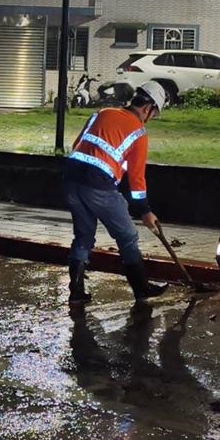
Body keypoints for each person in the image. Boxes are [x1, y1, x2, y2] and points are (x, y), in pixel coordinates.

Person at [63, 81, 168, 307]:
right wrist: (146, 212)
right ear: (147, 108)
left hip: (71, 177)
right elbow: (137, 181)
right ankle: (141, 289)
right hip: (98, 185)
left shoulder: (102, 112)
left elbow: (77, 145)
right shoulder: (139, 133)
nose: (151, 119)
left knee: (83, 236)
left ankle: (76, 291)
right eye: (154, 114)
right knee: (127, 236)